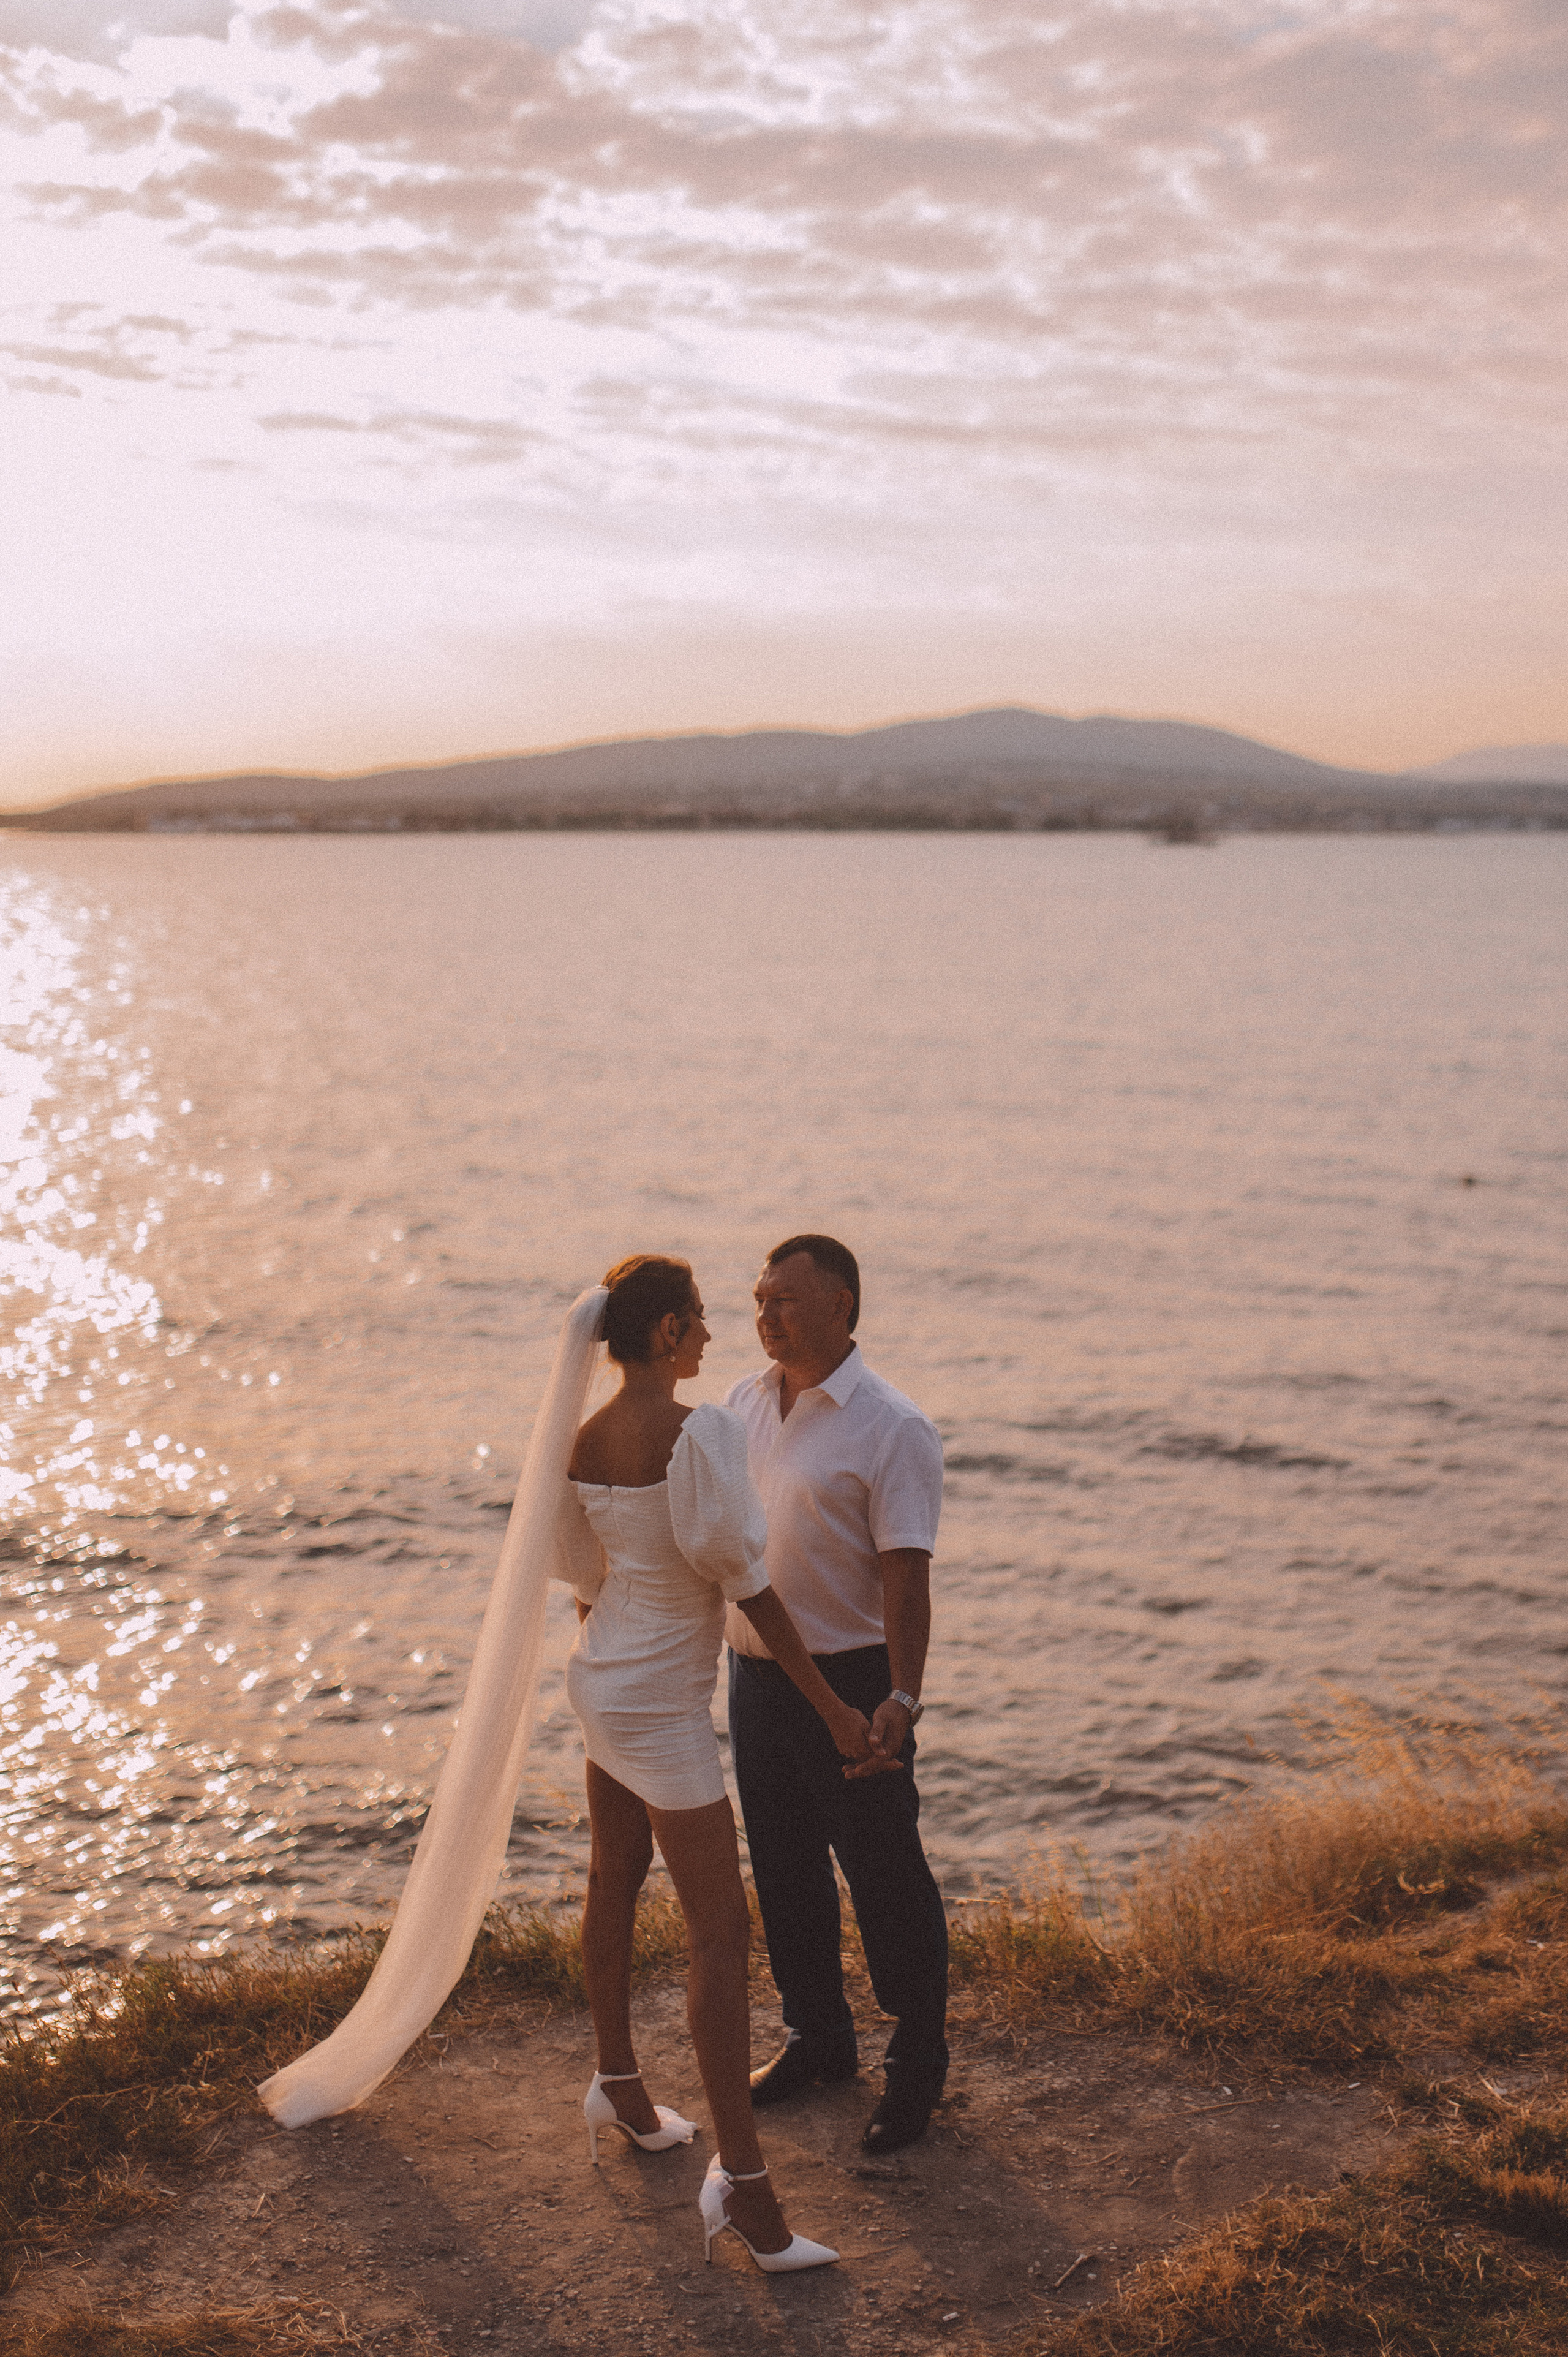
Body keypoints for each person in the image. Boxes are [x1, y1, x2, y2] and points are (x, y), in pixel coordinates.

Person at [557, 1254, 878, 2271]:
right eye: (697, 1320)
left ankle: (619, 2083)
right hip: (659, 1708)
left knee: (613, 1875)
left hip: (601, 1676)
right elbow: (748, 1582)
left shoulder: (584, 1435)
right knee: (720, 1935)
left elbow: (584, 1572)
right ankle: (744, 2187)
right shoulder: (701, 1433)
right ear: (664, 1334)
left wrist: (624, 1647)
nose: (708, 1336)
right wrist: (833, 1707)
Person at [725, 1234, 948, 2154]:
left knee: (885, 1875)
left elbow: (907, 1581)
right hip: (754, 1677)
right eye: (759, 1298)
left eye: (784, 1299)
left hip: (853, 1683)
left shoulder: (893, 1427)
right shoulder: (742, 1403)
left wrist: (902, 1697)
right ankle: (818, 2038)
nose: (764, 1315)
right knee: (784, 1870)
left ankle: (918, 2063)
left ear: (841, 1305)